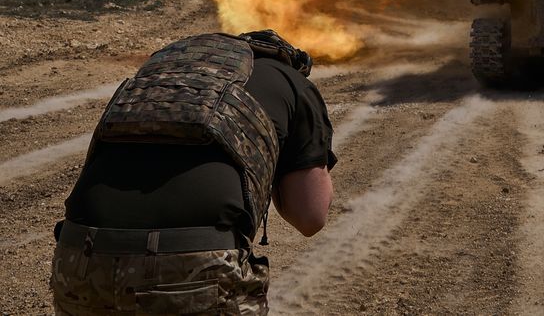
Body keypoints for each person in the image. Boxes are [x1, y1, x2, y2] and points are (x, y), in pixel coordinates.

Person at [49, 30, 336, 315]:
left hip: (78, 260)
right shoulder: (292, 81)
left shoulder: (157, 73)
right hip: (193, 271)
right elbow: (310, 217)